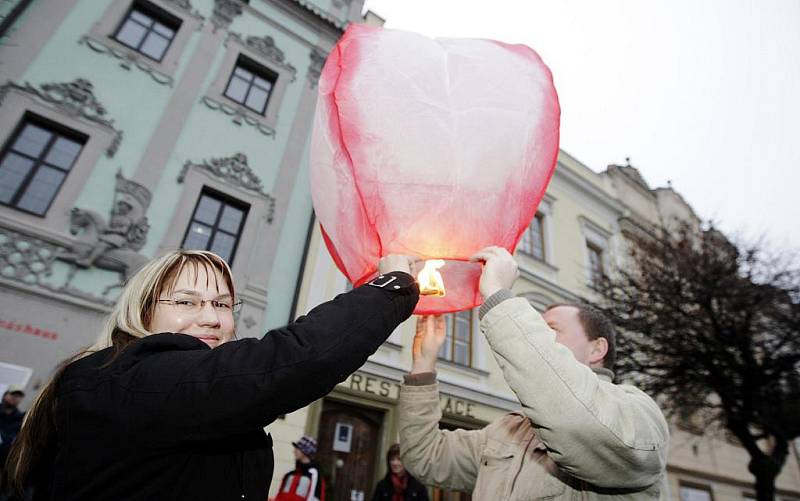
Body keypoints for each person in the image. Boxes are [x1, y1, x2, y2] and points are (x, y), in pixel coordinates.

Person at [2, 250, 419, 501]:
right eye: (186, 301)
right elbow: (295, 359)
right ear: (142, 311)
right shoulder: (127, 377)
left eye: (222, 305)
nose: (211, 318)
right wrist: (393, 286)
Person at [398, 246, 669, 499]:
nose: (537, 337)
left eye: (549, 329)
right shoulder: (507, 431)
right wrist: (424, 364)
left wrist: (497, 295)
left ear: (597, 349)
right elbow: (426, 456)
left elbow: (579, 418)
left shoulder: (637, 412)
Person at [274, 436, 325, 501]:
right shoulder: (290, 475)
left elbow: (315, 498)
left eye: (297, 448)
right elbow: (279, 496)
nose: (294, 451)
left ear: (305, 451)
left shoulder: (314, 474)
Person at [0, 388, 25, 470]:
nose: (15, 397)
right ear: (5, 395)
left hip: (5, 462)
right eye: (12, 394)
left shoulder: (21, 418)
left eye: (18, 396)